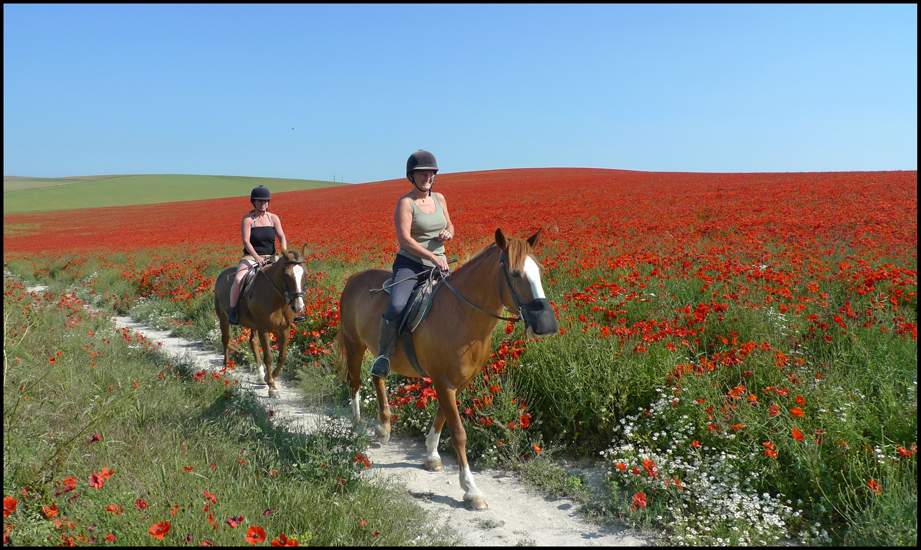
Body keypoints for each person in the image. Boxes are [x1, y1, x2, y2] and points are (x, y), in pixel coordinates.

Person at [371, 150, 455, 379]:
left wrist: (448, 233)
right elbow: (405, 241)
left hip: (440, 265)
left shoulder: (440, 198)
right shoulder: (406, 203)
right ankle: (384, 356)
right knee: (397, 306)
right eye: (422, 173)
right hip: (411, 264)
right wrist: (433, 257)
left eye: (431, 173)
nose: (427, 177)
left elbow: (450, 225)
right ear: (411, 176)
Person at [227, 185, 288, 325]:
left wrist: (284, 253)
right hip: (251, 257)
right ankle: (233, 311)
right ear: (253, 202)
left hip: (272, 256)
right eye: (260, 201)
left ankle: (293, 310)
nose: (263, 203)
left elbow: (282, 237)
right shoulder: (248, 219)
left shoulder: (273, 218)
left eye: (266, 201)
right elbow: (246, 241)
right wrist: (257, 257)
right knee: (238, 279)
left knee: (289, 277)